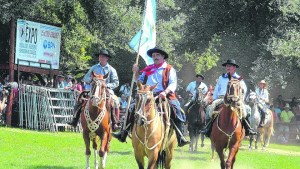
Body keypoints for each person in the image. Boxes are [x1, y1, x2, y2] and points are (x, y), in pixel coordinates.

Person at [113, 47, 190, 147]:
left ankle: (180, 137)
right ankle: (123, 133)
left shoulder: (169, 69)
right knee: (131, 108)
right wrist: (136, 72)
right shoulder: (148, 68)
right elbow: (138, 82)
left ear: (163, 57)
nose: (155, 57)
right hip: (147, 95)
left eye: (157, 55)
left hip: (165, 95)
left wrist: (165, 92)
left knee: (177, 109)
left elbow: (173, 84)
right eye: (153, 56)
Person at [200, 59, 257, 137]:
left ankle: (248, 129)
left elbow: (244, 89)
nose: (228, 67)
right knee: (210, 109)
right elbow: (217, 89)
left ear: (234, 68)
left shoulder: (239, 78)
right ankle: (207, 128)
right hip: (221, 99)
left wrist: (240, 98)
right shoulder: (221, 77)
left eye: (230, 66)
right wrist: (214, 98)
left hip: (235, 99)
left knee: (247, 109)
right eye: (227, 66)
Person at [67, 49, 120, 131]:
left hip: (106, 90)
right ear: (99, 58)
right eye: (100, 56)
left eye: (103, 57)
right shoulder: (94, 68)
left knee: (115, 102)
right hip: (93, 90)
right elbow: (85, 78)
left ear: (107, 58)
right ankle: (75, 120)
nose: (102, 58)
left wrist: (106, 85)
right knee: (79, 100)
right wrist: (91, 80)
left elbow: (116, 83)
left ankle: (115, 123)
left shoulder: (111, 70)